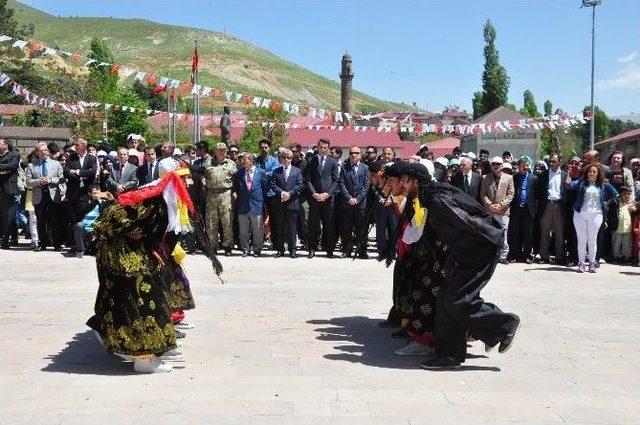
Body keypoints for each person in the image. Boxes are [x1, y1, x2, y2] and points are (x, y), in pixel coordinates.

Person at [395, 162, 520, 369]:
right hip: (467, 252)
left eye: (404, 180)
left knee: (457, 300)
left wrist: (488, 241)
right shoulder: (429, 196)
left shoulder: (437, 200)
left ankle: (504, 324)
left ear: (414, 181)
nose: (401, 185)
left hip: (481, 250)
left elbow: (469, 223)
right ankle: (450, 355)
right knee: (446, 299)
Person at [565, 162, 618, 273]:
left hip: (596, 214)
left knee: (592, 240)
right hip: (580, 213)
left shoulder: (604, 184)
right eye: (590, 171)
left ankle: (592, 263)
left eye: (594, 172)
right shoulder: (581, 182)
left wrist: (605, 204)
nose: (591, 173)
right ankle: (581, 263)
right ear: (587, 172)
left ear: (598, 173)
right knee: (582, 239)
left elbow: (614, 194)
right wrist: (569, 173)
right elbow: (568, 185)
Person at [304, 138, 339, 258]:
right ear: (317, 147)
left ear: (328, 148)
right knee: (313, 224)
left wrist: (327, 194)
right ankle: (312, 248)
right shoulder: (311, 161)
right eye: (321, 147)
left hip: (328, 199)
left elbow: (336, 180)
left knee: (329, 224)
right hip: (314, 198)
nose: (323, 150)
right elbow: (307, 179)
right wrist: (314, 193)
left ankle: (329, 249)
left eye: (325, 148)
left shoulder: (333, 162)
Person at [27, 142, 66, 251]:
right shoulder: (31, 165)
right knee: (40, 221)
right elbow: (28, 182)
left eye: (45, 150)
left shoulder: (56, 164)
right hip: (39, 195)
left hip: (53, 195)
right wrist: (40, 181)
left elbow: (62, 179)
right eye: (41, 150)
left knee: (55, 220)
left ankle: (57, 244)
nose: (44, 152)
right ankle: (42, 243)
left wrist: (50, 180)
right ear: (37, 152)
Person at [480, 156, 515, 264]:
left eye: (498, 164)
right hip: (490, 210)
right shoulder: (485, 178)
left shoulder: (509, 177)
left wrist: (501, 205)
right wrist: (490, 205)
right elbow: (483, 194)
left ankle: (503, 256)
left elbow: (511, 194)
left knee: (503, 233)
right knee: (490, 233)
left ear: (502, 166)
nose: (496, 166)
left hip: (503, 211)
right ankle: (492, 255)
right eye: (494, 164)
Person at [204, 142, 236, 255]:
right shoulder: (208, 163)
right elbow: (203, 175)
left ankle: (227, 246)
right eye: (219, 150)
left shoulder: (231, 164)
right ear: (215, 152)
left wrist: (235, 192)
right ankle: (213, 246)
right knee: (211, 222)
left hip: (226, 193)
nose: (221, 152)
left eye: (224, 150)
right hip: (211, 194)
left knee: (227, 221)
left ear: (226, 151)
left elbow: (236, 179)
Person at [338, 147, 371, 259]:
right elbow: (341, 183)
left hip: (360, 204)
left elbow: (366, 185)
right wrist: (348, 198)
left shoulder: (365, 168)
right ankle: (347, 251)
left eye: (357, 153)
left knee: (361, 229)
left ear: (360, 155)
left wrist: (358, 198)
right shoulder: (344, 167)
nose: (354, 155)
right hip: (347, 203)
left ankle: (362, 251)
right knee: (346, 228)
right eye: (352, 153)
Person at [271, 148, 303, 258]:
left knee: (292, 229)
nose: (286, 160)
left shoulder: (297, 171)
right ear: (281, 158)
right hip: (280, 203)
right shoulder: (276, 171)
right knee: (279, 227)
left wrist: (290, 194)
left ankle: (292, 250)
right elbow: (273, 185)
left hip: (292, 203)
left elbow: (299, 185)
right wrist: (282, 193)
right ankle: (280, 250)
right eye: (284, 157)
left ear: (291, 159)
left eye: (288, 158)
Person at [234, 152, 267, 257]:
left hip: (256, 205)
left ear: (252, 161)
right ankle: (245, 249)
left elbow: (265, 188)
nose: (243, 161)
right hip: (243, 205)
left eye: (245, 159)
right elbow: (236, 188)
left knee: (258, 230)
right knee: (243, 230)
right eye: (243, 159)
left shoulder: (261, 173)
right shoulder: (239, 173)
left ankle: (257, 250)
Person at [536, 153, 567, 264]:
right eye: (550, 161)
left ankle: (560, 257)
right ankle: (544, 256)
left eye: (554, 161)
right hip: (547, 205)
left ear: (560, 161)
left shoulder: (565, 175)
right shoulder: (543, 174)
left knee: (559, 233)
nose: (551, 163)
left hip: (559, 205)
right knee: (545, 232)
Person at [71, 186, 114, 258]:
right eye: (94, 193)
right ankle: (81, 250)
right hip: (84, 228)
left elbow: (113, 208)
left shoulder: (103, 203)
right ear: (89, 193)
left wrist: (111, 199)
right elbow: (83, 211)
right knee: (79, 225)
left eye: (98, 193)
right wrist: (95, 201)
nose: (97, 195)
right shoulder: (83, 200)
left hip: (96, 228)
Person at [508, 156, 537, 263]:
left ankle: (527, 255)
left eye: (527, 166)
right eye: (523, 166)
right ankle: (516, 254)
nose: (525, 167)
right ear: (519, 166)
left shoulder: (533, 178)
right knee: (516, 233)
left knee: (528, 234)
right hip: (516, 209)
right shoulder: (514, 177)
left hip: (528, 209)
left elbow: (536, 196)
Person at [0, 139, 20, 249]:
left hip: (8, 188)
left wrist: (4, 169)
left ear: (5, 145)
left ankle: (7, 239)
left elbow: (12, 166)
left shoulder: (14, 155)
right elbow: (6, 169)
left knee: (8, 215)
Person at [611, 186, 636, 263]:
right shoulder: (616, 202)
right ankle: (616, 257)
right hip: (617, 228)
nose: (627, 196)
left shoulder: (632, 204)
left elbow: (637, 211)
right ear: (620, 195)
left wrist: (635, 210)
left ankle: (627, 257)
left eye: (629, 194)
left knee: (627, 244)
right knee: (616, 244)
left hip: (627, 229)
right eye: (625, 194)